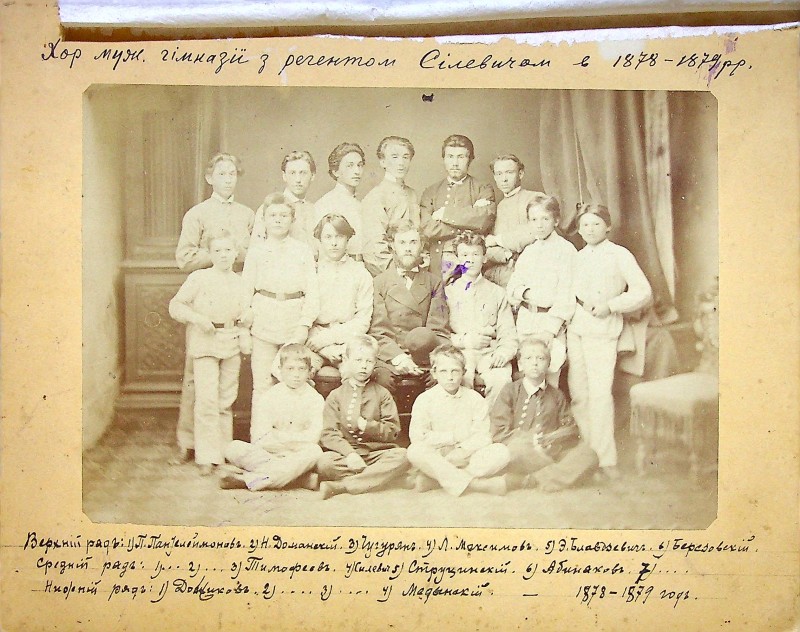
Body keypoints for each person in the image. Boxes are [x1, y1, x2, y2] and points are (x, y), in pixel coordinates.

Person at [172, 152, 255, 464]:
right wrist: (219, 253)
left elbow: (254, 253)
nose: (228, 179)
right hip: (204, 300)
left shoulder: (247, 214)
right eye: (221, 174)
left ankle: (222, 446)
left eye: (232, 174)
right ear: (210, 178)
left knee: (226, 386)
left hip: (233, 296)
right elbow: (184, 257)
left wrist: (234, 257)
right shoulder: (197, 214)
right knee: (196, 379)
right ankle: (189, 441)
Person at [568, 204, 652, 480]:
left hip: (602, 329)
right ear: (579, 230)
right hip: (576, 327)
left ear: (607, 226)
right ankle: (588, 455)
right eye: (585, 225)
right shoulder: (577, 257)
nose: (590, 230)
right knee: (579, 394)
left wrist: (612, 305)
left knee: (600, 394)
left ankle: (606, 459)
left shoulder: (619, 254)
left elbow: (643, 291)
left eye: (596, 224)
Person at [168, 229, 253, 476]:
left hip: (231, 342)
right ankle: (206, 455)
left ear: (236, 253)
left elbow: (246, 311)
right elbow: (176, 305)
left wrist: (247, 318)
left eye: (228, 250)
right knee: (206, 400)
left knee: (226, 400)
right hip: (205, 342)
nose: (223, 255)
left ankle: (223, 453)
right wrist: (197, 318)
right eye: (217, 250)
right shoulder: (199, 278)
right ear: (210, 254)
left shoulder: (241, 282)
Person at [243, 192, 319, 415]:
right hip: (263, 324)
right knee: (262, 385)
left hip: (293, 325)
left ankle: (291, 432)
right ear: (264, 219)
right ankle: (261, 433)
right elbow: (245, 292)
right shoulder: (256, 252)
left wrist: (304, 325)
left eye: (284, 215)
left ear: (292, 219)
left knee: (294, 383)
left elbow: (313, 292)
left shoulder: (302, 250)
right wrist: (244, 329)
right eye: (273, 215)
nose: (278, 220)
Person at [491, 338, 598, 491]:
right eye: (529, 358)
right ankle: (559, 474)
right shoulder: (510, 391)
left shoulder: (556, 395)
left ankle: (531, 480)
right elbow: (499, 432)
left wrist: (553, 438)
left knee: (589, 454)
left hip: (551, 452)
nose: (534, 363)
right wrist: (529, 441)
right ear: (520, 364)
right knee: (515, 450)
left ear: (548, 364)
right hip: (522, 451)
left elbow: (571, 429)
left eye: (540, 358)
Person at [407, 345, 510, 496]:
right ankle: (476, 485)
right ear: (434, 373)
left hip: (467, 456)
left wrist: (462, 451)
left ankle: (436, 479)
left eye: (455, 371)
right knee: (415, 450)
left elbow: (483, 436)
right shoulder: (424, 400)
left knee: (501, 452)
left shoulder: (475, 399)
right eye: (443, 371)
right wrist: (453, 437)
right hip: (438, 454)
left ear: (464, 372)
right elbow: (417, 437)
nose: (450, 377)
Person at [219, 344, 324, 491]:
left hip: (299, 454)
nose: (296, 374)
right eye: (290, 368)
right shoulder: (269, 396)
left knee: (314, 451)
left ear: (309, 371)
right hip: (269, 453)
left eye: (301, 369)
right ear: (280, 370)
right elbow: (260, 438)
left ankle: (248, 480)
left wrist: (278, 437)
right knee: (233, 448)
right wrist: (291, 441)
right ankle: (297, 478)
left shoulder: (316, 399)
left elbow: (313, 437)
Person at [317, 335, 409, 499]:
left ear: (375, 363)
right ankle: (381, 478)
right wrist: (350, 454)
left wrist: (369, 426)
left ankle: (343, 486)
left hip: (376, 455)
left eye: (369, 361)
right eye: (358, 360)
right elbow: (329, 434)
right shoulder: (336, 396)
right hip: (346, 455)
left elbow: (393, 431)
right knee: (325, 462)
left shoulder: (382, 394)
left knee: (402, 456)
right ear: (346, 360)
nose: (363, 366)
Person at [369, 219, 450, 394]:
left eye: (413, 242)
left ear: (421, 246)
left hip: (425, 357)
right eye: (402, 242)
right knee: (382, 381)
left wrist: (435, 361)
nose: (408, 248)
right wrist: (399, 358)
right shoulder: (379, 283)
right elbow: (378, 331)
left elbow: (439, 330)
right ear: (392, 246)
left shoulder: (434, 282)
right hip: (391, 357)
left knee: (439, 380)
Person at [506, 194, 576, 386]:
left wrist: (550, 331)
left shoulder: (566, 250)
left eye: (545, 219)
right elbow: (512, 288)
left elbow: (566, 296)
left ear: (556, 220)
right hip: (526, 323)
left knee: (549, 377)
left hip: (549, 325)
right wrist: (527, 294)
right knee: (529, 379)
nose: (539, 225)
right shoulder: (529, 251)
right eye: (534, 219)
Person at [444, 231, 517, 408]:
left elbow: (508, 333)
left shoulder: (497, 293)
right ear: (458, 259)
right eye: (464, 255)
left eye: (476, 254)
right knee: (460, 378)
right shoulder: (448, 293)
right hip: (460, 352)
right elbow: (440, 333)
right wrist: (463, 341)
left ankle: (492, 423)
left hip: (490, 353)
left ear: (484, 258)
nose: (470, 260)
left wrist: (503, 353)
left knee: (501, 380)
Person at [306, 213, 374, 376]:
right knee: (296, 372)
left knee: (354, 374)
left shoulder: (360, 273)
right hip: (314, 341)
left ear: (348, 239)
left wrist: (331, 339)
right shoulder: (311, 272)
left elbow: (363, 320)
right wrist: (323, 347)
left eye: (339, 237)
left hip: (348, 342)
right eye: (328, 237)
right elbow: (303, 315)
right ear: (320, 240)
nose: (334, 243)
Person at [420, 134, 496, 277]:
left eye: (461, 157)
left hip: (472, 263)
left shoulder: (483, 188)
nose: (455, 163)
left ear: (470, 159)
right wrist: (470, 225)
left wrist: (445, 214)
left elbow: (485, 220)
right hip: (438, 263)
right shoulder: (431, 192)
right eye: (450, 157)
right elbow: (428, 228)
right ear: (444, 159)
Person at [360, 136, 421, 275]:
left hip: (415, 270)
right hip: (390, 274)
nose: (401, 163)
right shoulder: (376, 196)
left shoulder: (412, 194)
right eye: (394, 157)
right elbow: (374, 249)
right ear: (382, 161)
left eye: (405, 157)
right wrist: (399, 273)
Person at [484, 154, 545, 287]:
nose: (504, 179)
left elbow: (535, 231)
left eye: (509, 172)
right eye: (499, 174)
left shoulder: (535, 198)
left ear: (520, 174)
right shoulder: (497, 207)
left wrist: (497, 240)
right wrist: (506, 255)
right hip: (505, 271)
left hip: (533, 269)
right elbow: (487, 245)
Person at [251, 150, 317, 247]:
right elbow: (256, 248)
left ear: (312, 176)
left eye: (303, 173)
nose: (298, 180)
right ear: (284, 176)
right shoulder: (269, 208)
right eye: (292, 173)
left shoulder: (314, 209)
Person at [314, 142, 366, 258]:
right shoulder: (325, 204)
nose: (357, 171)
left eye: (360, 165)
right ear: (335, 171)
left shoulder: (360, 203)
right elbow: (320, 248)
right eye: (350, 166)